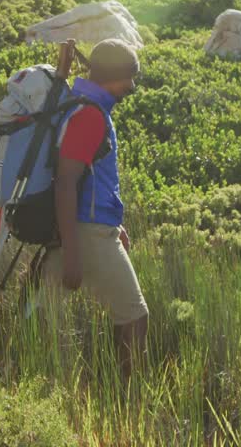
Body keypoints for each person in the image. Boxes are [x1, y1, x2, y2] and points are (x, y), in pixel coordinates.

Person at [40, 38, 147, 379]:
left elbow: (92, 178)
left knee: (43, 316)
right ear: (110, 77)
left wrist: (116, 223)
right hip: (87, 232)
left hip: (87, 226)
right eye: (128, 78)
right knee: (134, 316)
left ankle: (35, 378)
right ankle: (126, 396)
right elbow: (67, 183)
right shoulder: (90, 115)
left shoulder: (81, 103)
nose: (131, 86)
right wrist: (74, 252)